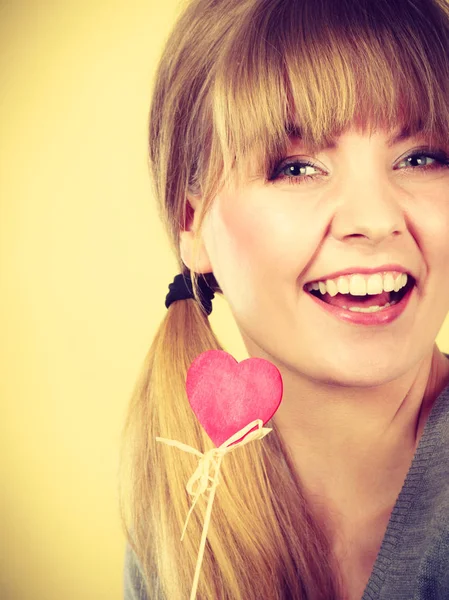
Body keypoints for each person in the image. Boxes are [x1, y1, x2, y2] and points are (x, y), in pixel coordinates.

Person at [119, 0, 449, 597]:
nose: (375, 220)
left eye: (421, 158)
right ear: (192, 222)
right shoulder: (185, 518)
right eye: (295, 168)